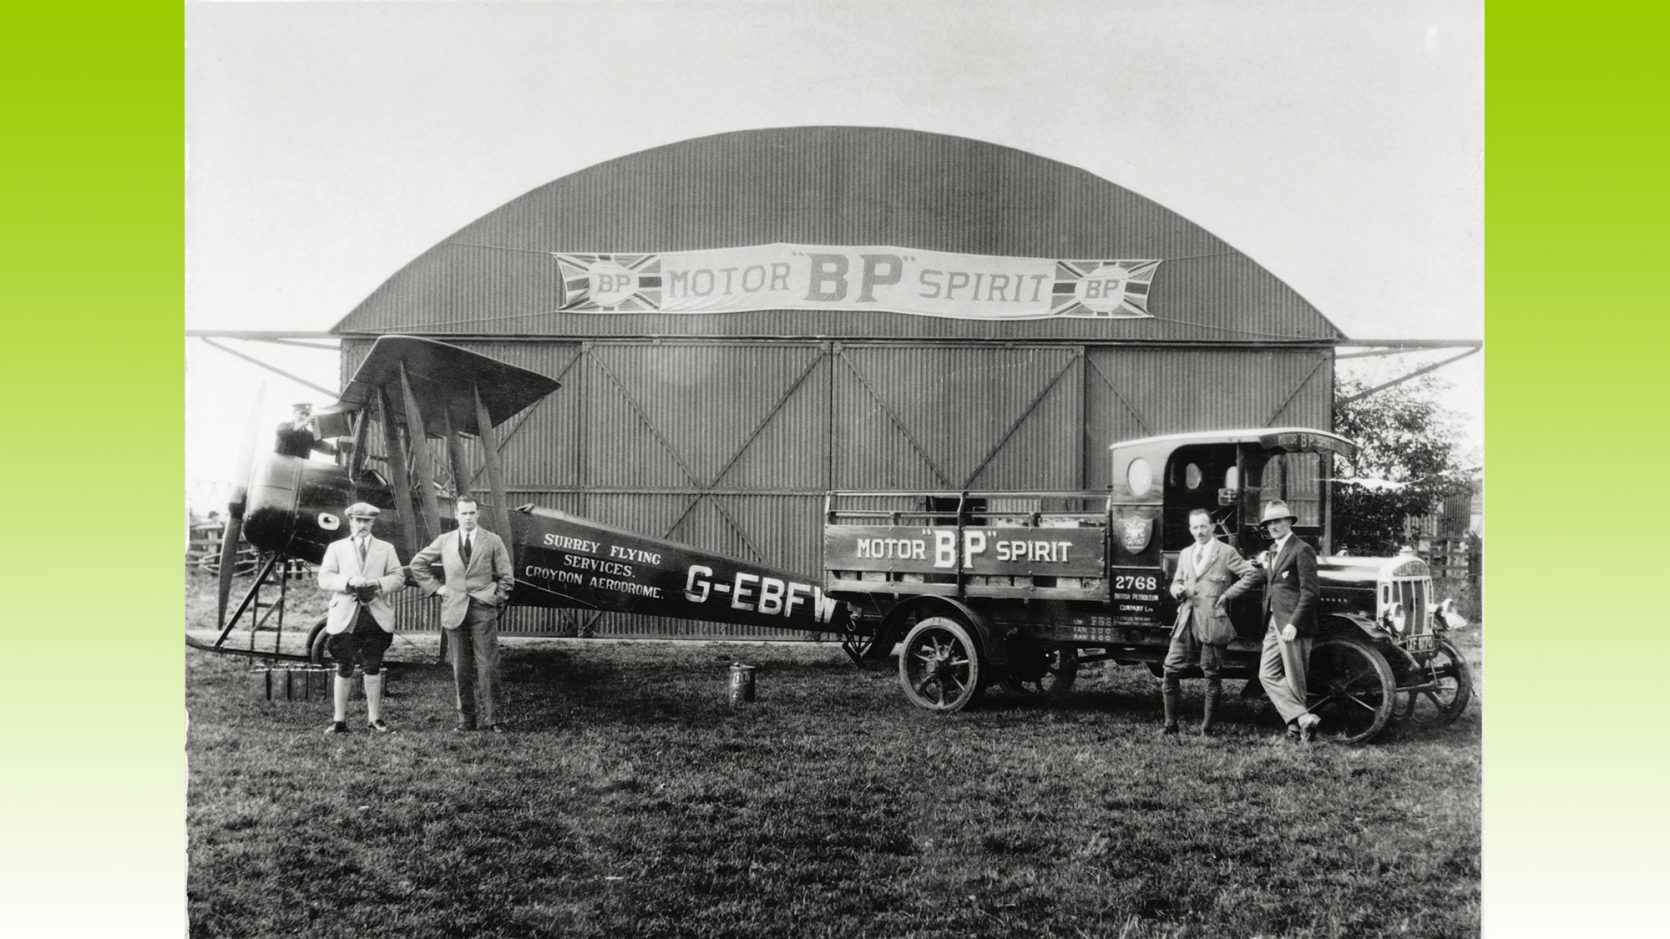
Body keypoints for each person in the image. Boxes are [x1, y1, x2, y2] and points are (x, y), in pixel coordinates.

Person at [411, 496, 514, 732]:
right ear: (456, 515)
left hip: (482, 609)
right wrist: (438, 588)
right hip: (454, 608)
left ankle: (495, 719)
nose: (468, 518)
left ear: (478, 514)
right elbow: (417, 564)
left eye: (472, 513)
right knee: (460, 667)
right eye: (463, 513)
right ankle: (466, 720)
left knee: (488, 665)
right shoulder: (444, 540)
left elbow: (507, 577)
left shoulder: (493, 540)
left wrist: (494, 598)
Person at [1162, 508, 1261, 736]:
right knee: (1170, 669)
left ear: (1212, 527)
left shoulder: (1225, 552)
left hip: (1212, 621)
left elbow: (1252, 575)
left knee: (1212, 674)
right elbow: (1176, 582)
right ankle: (1170, 725)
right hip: (1186, 619)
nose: (1199, 531)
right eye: (1195, 527)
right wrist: (1176, 589)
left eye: (1203, 526)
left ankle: (1207, 729)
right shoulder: (1186, 553)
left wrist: (1228, 595)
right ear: (1190, 529)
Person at [316, 502, 407, 735]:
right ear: (351, 522)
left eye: (367, 521)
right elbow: (324, 578)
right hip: (346, 615)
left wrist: (378, 583)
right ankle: (339, 720)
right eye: (358, 520)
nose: (362, 525)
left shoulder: (386, 548)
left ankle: (374, 719)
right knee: (344, 664)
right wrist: (347, 582)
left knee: (373, 665)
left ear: (373, 523)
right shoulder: (336, 548)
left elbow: (398, 577)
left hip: (374, 615)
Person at [1255, 500, 1322, 743]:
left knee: (1295, 679)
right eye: (1269, 522)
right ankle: (1303, 719)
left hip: (1294, 624)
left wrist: (1294, 623)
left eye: (1277, 520)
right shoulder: (1274, 550)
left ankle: (1295, 733)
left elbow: (1310, 593)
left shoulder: (1302, 549)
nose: (1273, 526)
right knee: (1266, 673)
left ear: (1288, 522)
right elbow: (1270, 579)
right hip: (1275, 621)